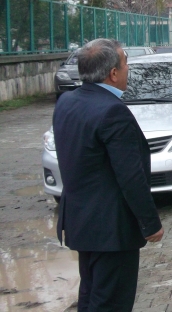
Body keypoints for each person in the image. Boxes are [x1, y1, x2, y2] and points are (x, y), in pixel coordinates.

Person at [53, 38, 163, 311]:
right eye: (125, 64)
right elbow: (130, 176)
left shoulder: (67, 102)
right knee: (110, 302)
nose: (128, 70)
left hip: (81, 221)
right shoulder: (113, 111)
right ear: (113, 73)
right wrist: (150, 224)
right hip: (112, 229)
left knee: (91, 296)